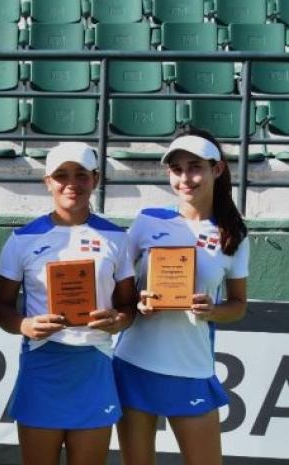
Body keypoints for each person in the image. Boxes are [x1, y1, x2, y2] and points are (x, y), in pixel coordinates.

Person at [0, 143, 137, 465]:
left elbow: (129, 306)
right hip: (43, 363)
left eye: (81, 175)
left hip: (95, 363)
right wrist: (24, 325)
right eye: (61, 175)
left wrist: (118, 320)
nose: (71, 183)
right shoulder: (22, 239)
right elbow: (1, 306)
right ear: (47, 181)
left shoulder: (117, 238)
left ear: (95, 179)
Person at [113, 129, 249, 465]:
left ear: (216, 169)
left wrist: (213, 311)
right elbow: (118, 288)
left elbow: (238, 306)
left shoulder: (233, 234)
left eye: (194, 167)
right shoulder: (146, 221)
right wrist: (136, 303)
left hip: (192, 369)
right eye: (176, 169)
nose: (185, 178)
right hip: (133, 363)